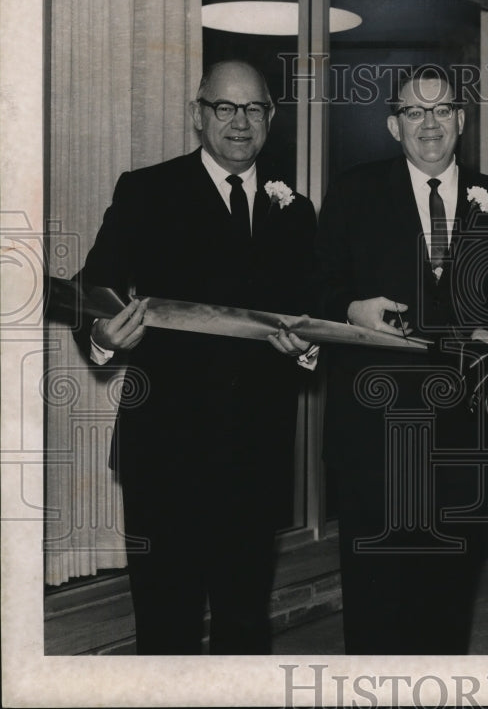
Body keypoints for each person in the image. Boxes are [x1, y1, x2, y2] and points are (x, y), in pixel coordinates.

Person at [76, 60, 317, 654]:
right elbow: (90, 290)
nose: (240, 122)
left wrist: (307, 350)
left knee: (244, 624)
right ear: (197, 115)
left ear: (271, 117)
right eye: (224, 107)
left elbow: (310, 313)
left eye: (254, 108)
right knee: (166, 627)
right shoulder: (146, 190)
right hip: (165, 457)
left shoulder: (297, 211)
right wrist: (106, 337)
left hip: (256, 457)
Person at [313, 66, 488, 654]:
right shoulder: (353, 193)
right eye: (414, 111)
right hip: (371, 439)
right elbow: (314, 290)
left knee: (446, 611)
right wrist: (353, 308)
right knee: (374, 612)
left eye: (441, 110)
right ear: (392, 125)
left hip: (463, 442)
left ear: (462, 119)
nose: (429, 124)